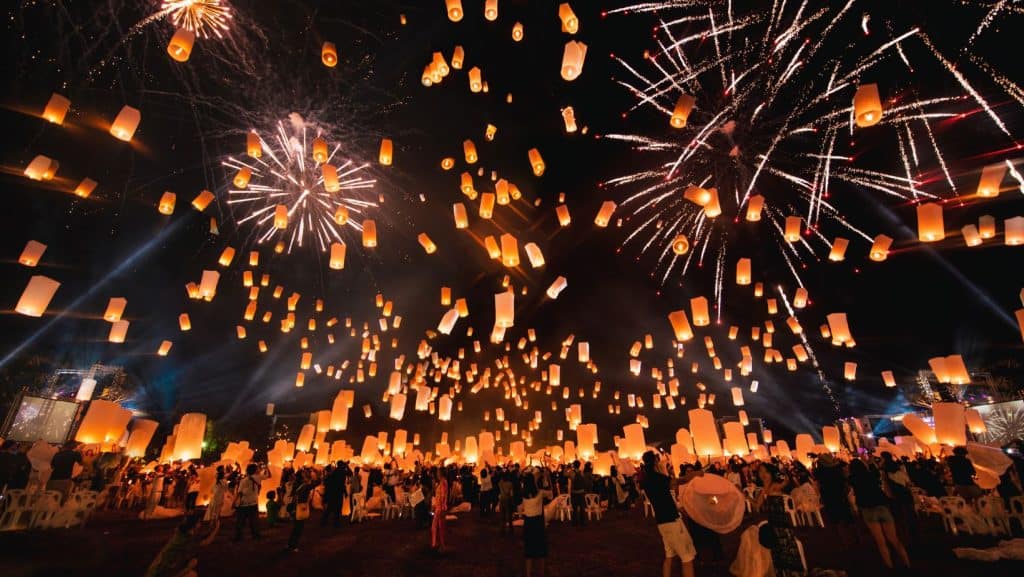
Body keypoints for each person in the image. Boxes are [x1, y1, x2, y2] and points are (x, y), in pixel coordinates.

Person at [641, 451, 697, 577]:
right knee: (687, 558)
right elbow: (678, 481)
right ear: (655, 461)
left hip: (661, 523)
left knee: (669, 556)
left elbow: (663, 498)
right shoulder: (658, 478)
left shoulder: (646, 480)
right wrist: (694, 474)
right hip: (672, 521)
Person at [848, 458, 910, 570]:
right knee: (894, 539)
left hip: (868, 510)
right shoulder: (872, 475)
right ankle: (907, 563)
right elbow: (877, 473)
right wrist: (870, 463)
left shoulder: (852, 479)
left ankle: (889, 566)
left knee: (880, 541)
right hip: (882, 507)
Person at [144, 510, 220, 577]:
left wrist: (211, 529)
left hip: (163, 566)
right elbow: (205, 542)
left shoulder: (183, 532)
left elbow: (202, 537)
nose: (200, 525)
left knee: (192, 571)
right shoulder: (186, 537)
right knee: (193, 565)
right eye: (199, 522)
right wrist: (216, 528)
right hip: (162, 570)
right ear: (193, 524)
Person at [521, 471, 548, 577]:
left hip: (528, 523)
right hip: (538, 523)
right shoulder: (540, 493)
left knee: (529, 552)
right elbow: (550, 493)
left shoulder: (523, 495)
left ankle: (528, 574)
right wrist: (546, 477)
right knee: (541, 551)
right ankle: (541, 573)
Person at [233, 463, 265, 541]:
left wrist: (234, 502)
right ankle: (256, 535)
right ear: (255, 470)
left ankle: (238, 536)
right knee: (254, 521)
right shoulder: (258, 477)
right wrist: (265, 467)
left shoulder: (243, 480)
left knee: (240, 521)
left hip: (244, 503)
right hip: (253, 503)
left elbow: (239, 492)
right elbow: (268, 475)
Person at [286, 469, 315, 553]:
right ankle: (293, 545)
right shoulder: (304, 486)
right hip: (299, 507)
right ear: (302, 476)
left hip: (295, 507)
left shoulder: (297, 484)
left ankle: (290, 544)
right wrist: (311, 477)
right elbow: (315, 483)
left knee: (296, 528)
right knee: (298, 528)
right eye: (304, 474)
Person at [321, 461, 347, 528]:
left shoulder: (335, 472)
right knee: (337, 509)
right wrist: (345, 492)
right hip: (338, 493)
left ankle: (324, 521)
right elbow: (342, 484)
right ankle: (335, 523)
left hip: (333, 493)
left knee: (330, 508)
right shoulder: (342, 472)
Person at [431, 466, 449, 552]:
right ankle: (438, 544)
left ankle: (440, 545)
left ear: (441, 474)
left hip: (440, 509)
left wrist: (441, 509)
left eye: (438, 472)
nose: (437, 474)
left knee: (439, 528)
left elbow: (442, 497)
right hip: (439, 508)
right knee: (438, 527)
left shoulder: (443, 483)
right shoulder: (442, 482)